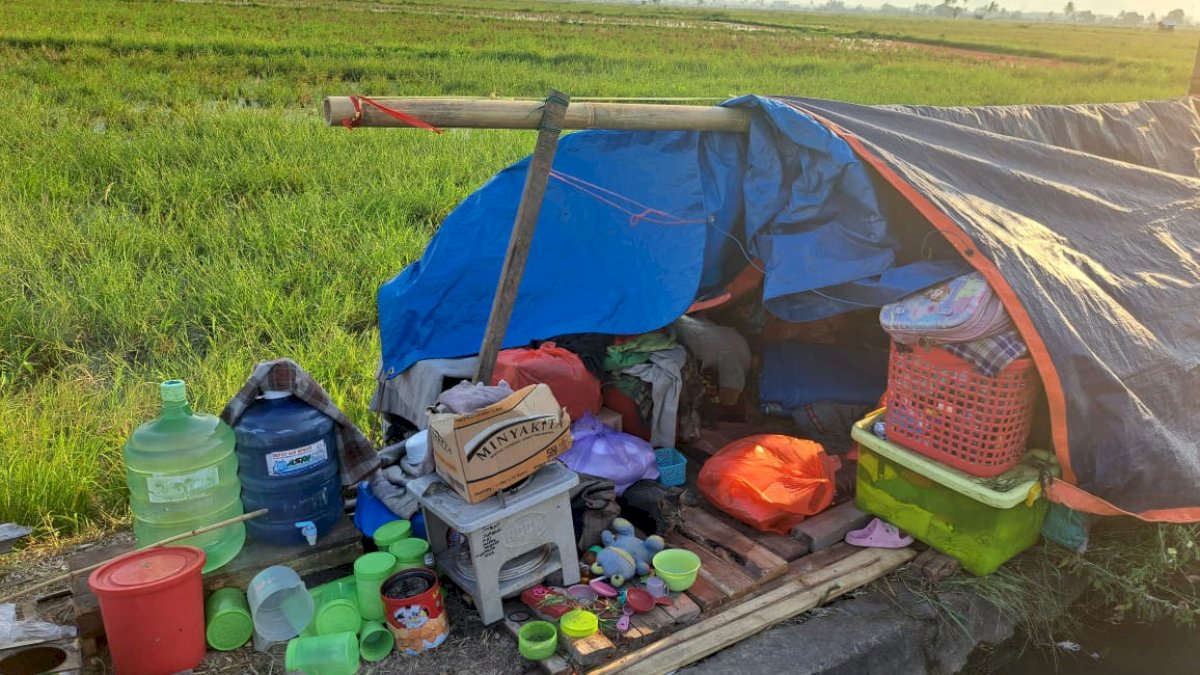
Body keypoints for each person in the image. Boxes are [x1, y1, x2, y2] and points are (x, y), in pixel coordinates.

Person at [672, 312, 752, 421]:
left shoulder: (730, 335)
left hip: (679, 321)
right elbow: (728, 398)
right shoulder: (738, 358)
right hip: (683, 344)